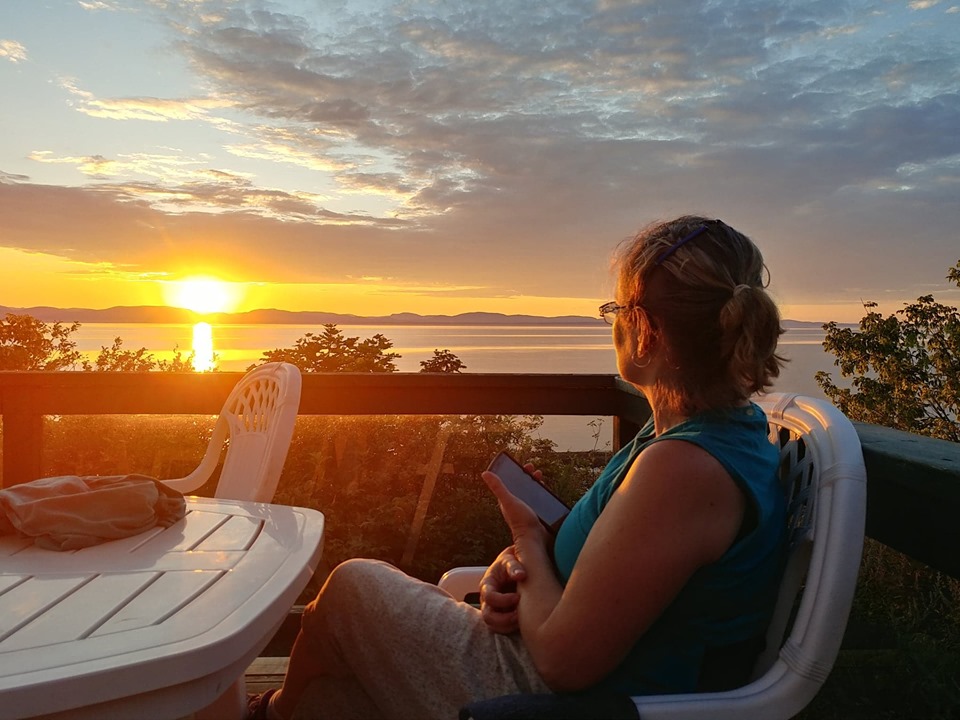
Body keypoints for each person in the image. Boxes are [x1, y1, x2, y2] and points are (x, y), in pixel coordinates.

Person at [247, 215, 788, 720]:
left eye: (616, 309)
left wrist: (526, 536)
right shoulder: (687, 436)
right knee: (336, 684)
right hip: (543, 671)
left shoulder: (684, 469)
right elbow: (614, 570)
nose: (613, 323)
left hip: (553, 701)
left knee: (351, 590)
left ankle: (267, 712)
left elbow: (564, 663)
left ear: (644, 329)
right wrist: (515, 566)